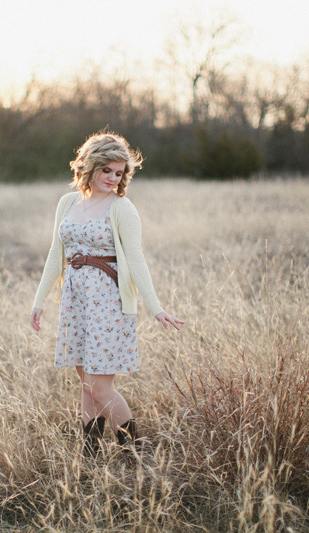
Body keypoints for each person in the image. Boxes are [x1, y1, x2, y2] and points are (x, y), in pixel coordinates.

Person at [30, 131, 184, 457]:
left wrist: (156, 308)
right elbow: (55, 254)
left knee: (101, 387)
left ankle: (137, 454)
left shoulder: (122, 208)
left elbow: (137, 259)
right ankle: (92, 457)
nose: (113, 179)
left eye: (119, 173)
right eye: (107, 171)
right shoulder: (68, 203)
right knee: (86, 385)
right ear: (89, 167)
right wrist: (39, 301)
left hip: (108, 304)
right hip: (76, 303)